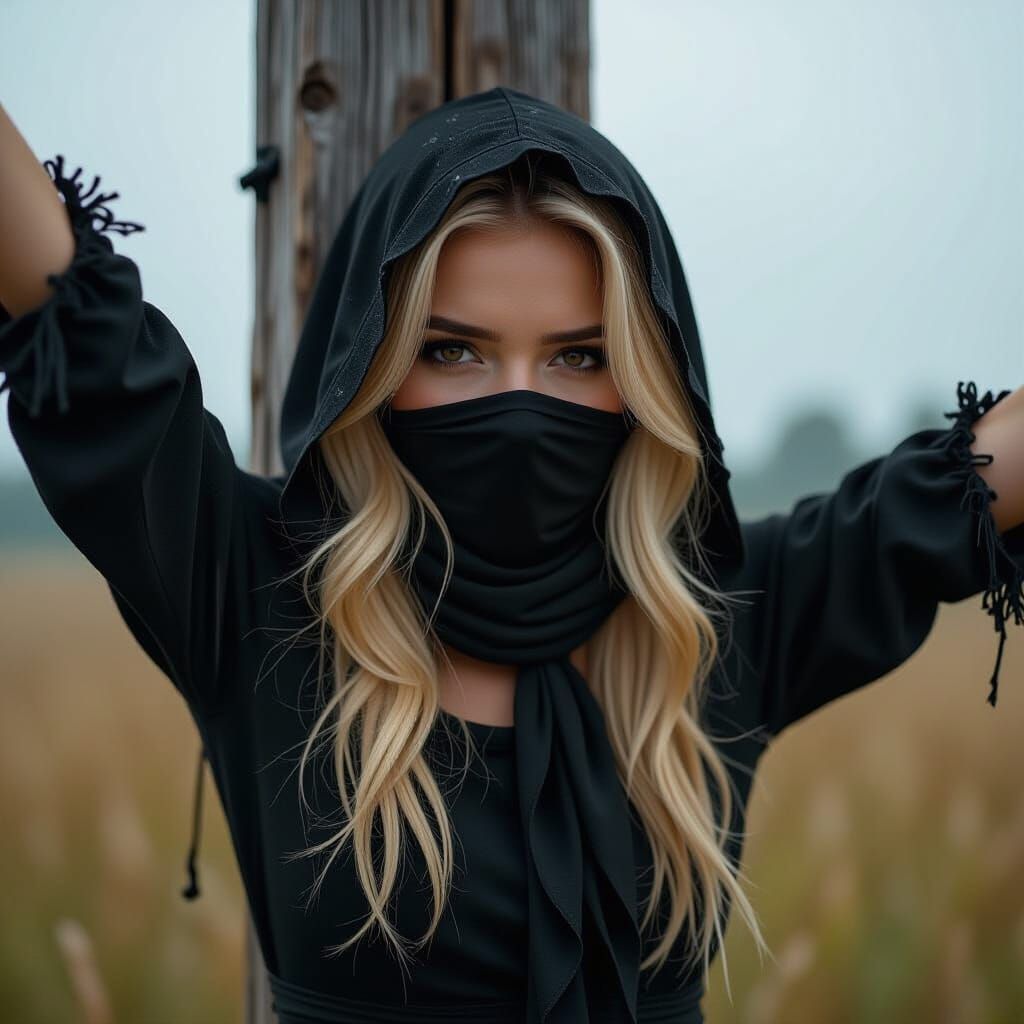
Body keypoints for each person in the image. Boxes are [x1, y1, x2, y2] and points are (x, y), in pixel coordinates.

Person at [1, 87, 1021, 1024]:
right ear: (374, 370)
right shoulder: (260, 590)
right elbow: (67, 320)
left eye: (579, 357)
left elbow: (965, 486)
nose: (520, 406)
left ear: (645, 381)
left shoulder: (712, 614)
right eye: (453, 351)